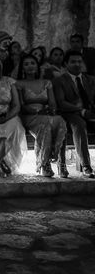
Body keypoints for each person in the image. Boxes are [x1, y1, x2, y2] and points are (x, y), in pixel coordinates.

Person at [16, 54, 67, 177]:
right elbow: (21, 106)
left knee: (60, 121)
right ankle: (45, 164)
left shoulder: (46, 82)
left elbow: (53, 103)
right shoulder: (19, 84)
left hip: (46, 114)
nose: (30, 66)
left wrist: (50, 110)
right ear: (22, 68)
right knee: (45, 125)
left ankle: (62, 163)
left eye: (32, 63)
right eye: (26, 64)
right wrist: (37, 112)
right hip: (29, 116)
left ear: (37, 66)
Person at [53, 50, 95, 178]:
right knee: (79, 124)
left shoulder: (91, 79)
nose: (77, 64)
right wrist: (82, 111)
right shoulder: (59, 81)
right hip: (70, 113)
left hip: (91, 112)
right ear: (66, 64)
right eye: (73, 62)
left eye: (79, 61)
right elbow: (61, 102)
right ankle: (86, 165)